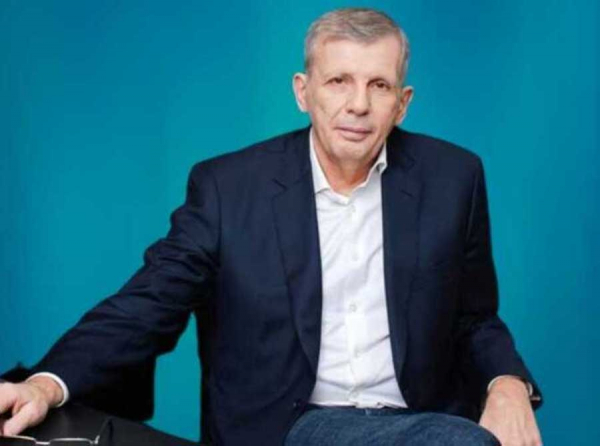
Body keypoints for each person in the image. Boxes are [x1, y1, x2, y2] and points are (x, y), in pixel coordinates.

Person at [0, 8, 543, 446]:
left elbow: (475, 317)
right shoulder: (228, 188)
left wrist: (508, 386)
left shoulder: (454, 178)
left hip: (421, 419)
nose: (358, 105)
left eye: (378, 85)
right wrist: (46, 384)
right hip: (293, 426)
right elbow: (148, 304)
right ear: (303, 91)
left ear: (402, 104)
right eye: (339, 81)